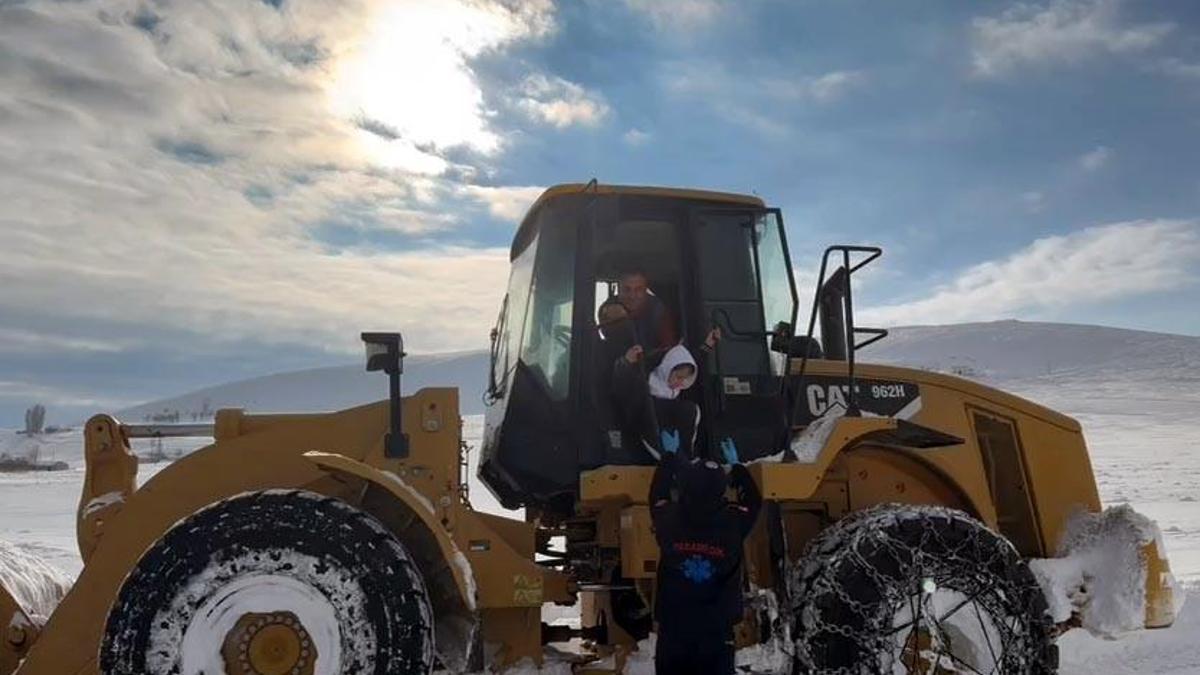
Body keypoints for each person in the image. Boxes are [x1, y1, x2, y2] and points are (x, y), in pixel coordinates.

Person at [649, 438, 762, 675]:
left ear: (686, 487)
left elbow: (657, 494)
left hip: (675, 632)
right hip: (717, 634)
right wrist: (738, 468)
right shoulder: (734, 522)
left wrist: (669, 458)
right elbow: (753, 500)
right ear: (722, 489)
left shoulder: (669, 520)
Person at [617, 270, 678, 354]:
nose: (632, 296)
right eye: (626, 289)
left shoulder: (659, 312)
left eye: (638, 289)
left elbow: (668, 348)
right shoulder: (610, 308)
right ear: (618, 290)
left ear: (645, 291)